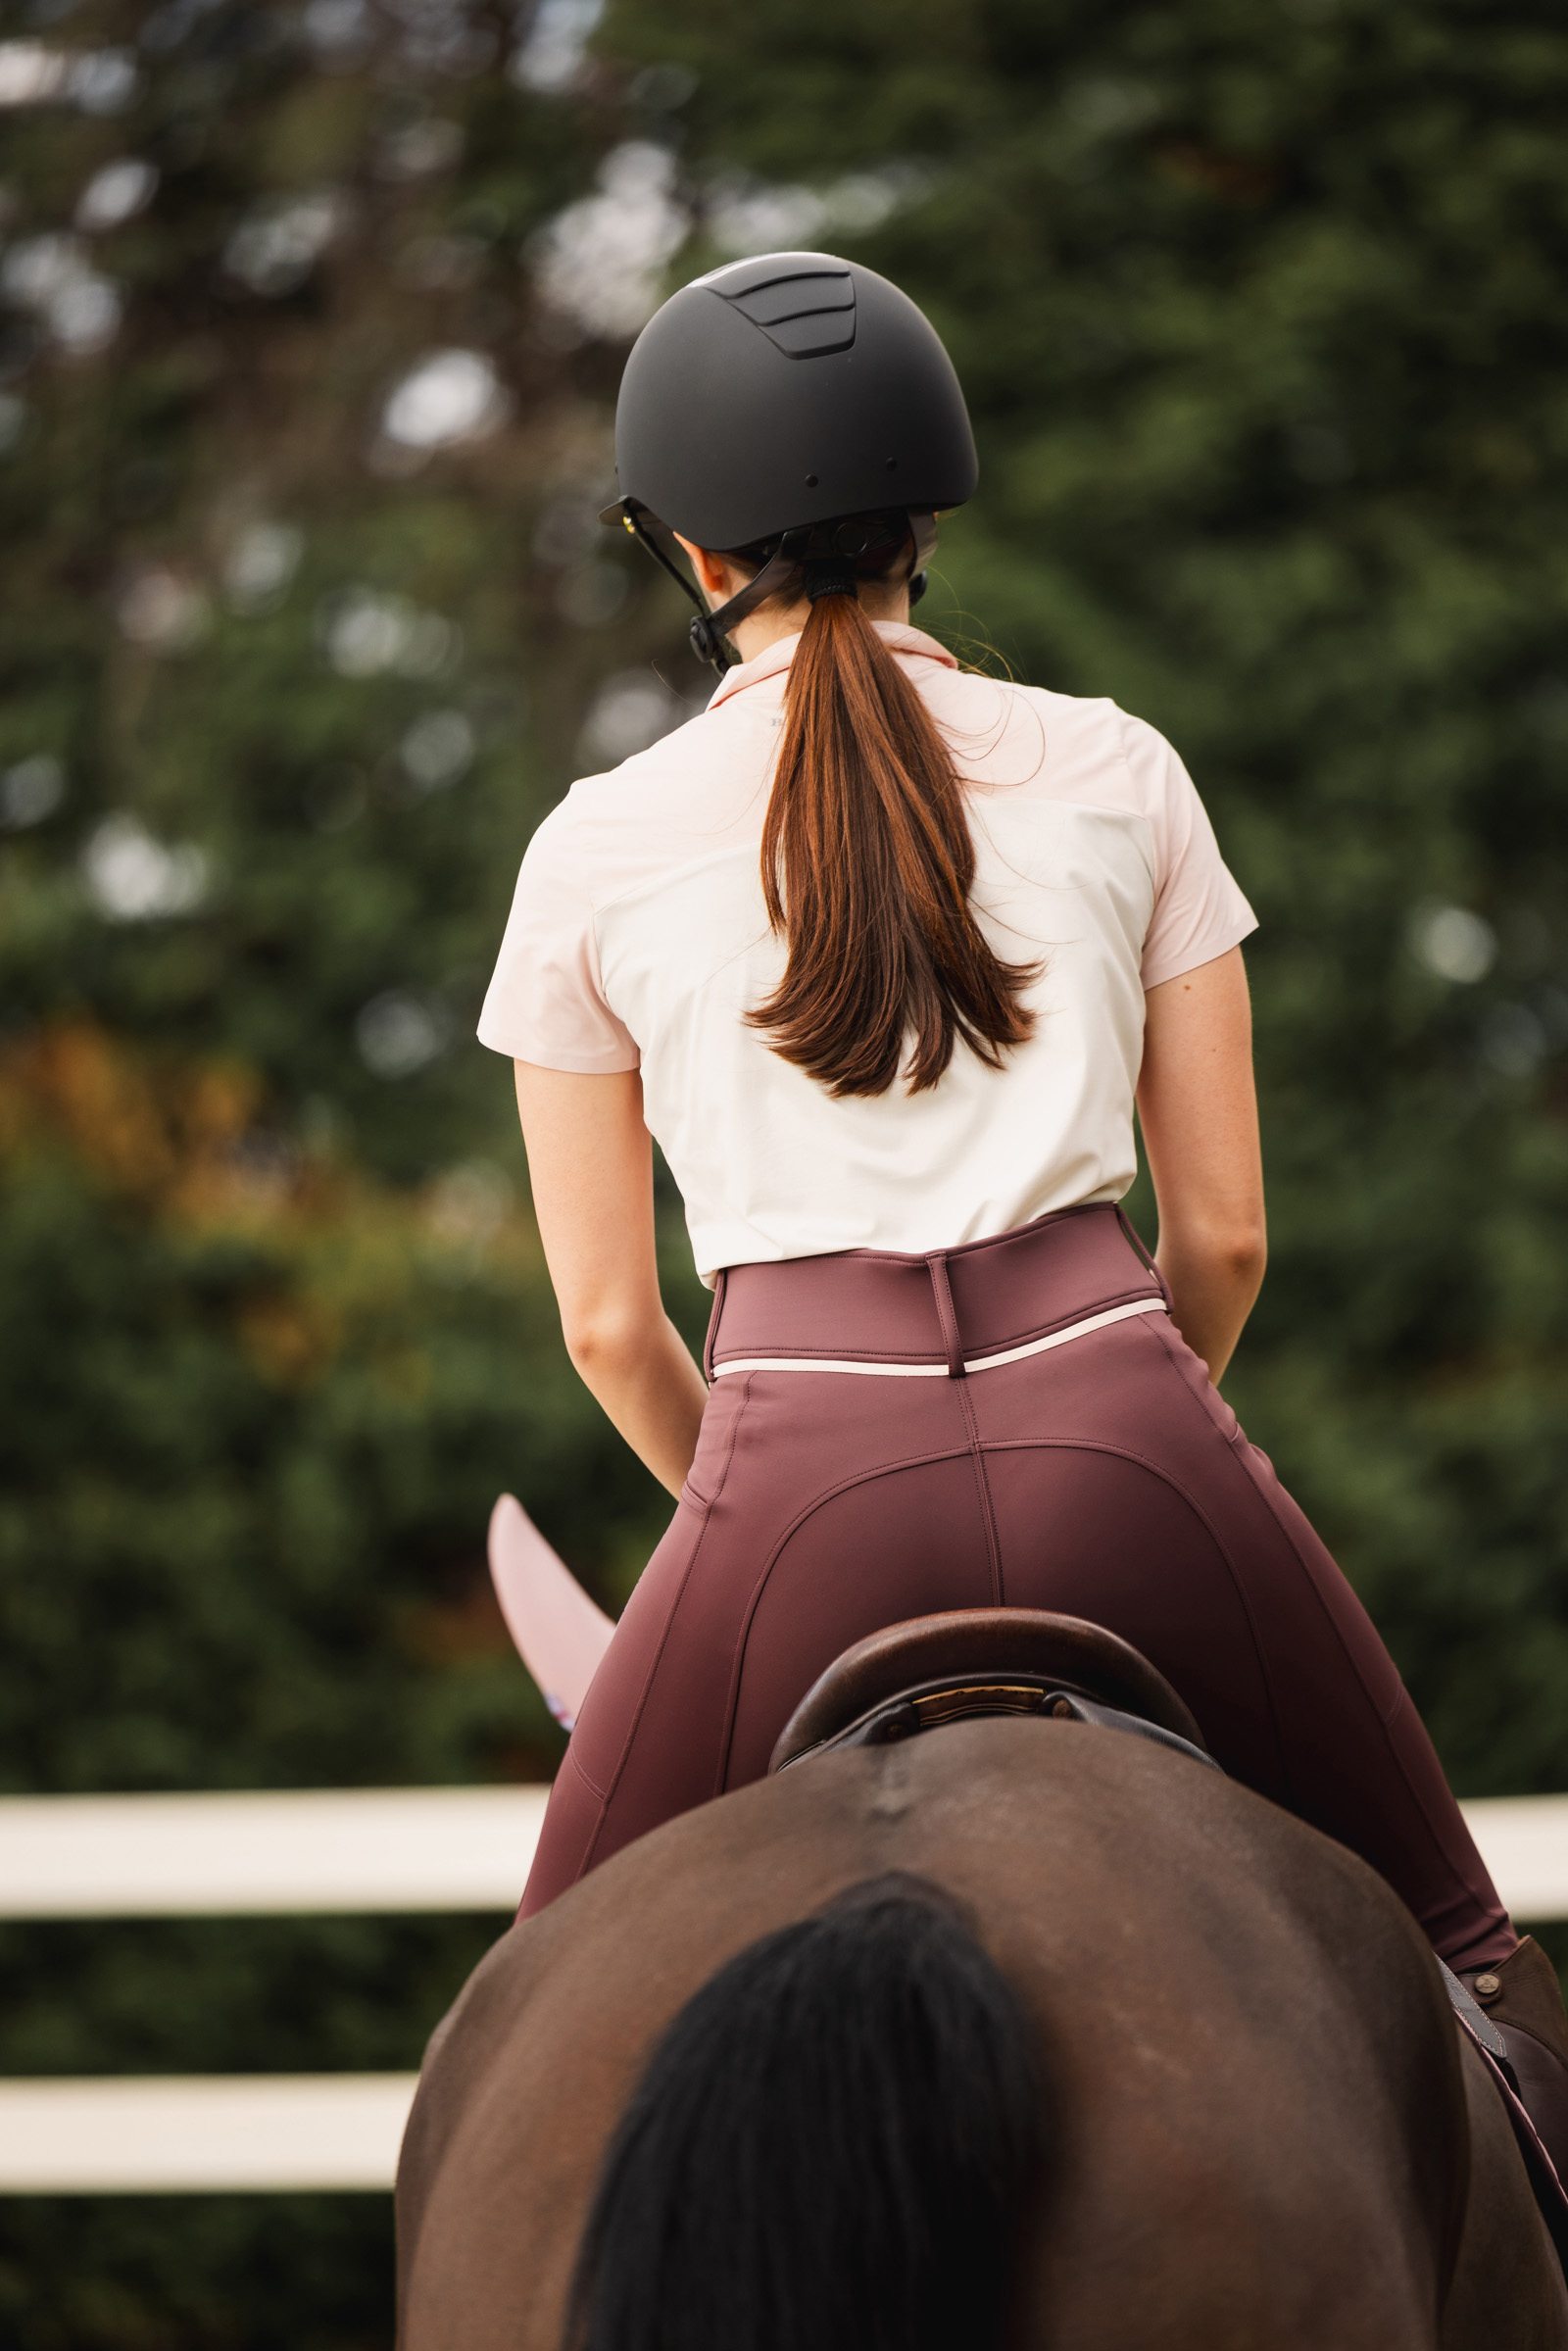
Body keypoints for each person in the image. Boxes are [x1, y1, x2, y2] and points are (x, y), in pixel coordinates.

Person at [478, 250, 1568, 2158]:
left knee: (527, 2040)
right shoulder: (1119, 768)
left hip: (797, 1479)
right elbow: (1220, 1233)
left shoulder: (590, 846)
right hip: (1122, 1434)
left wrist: (755, 1509)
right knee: (1468, 1958)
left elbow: (600, 1323)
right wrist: (1131, 1412)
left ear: (694, 554)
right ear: (923, 518)